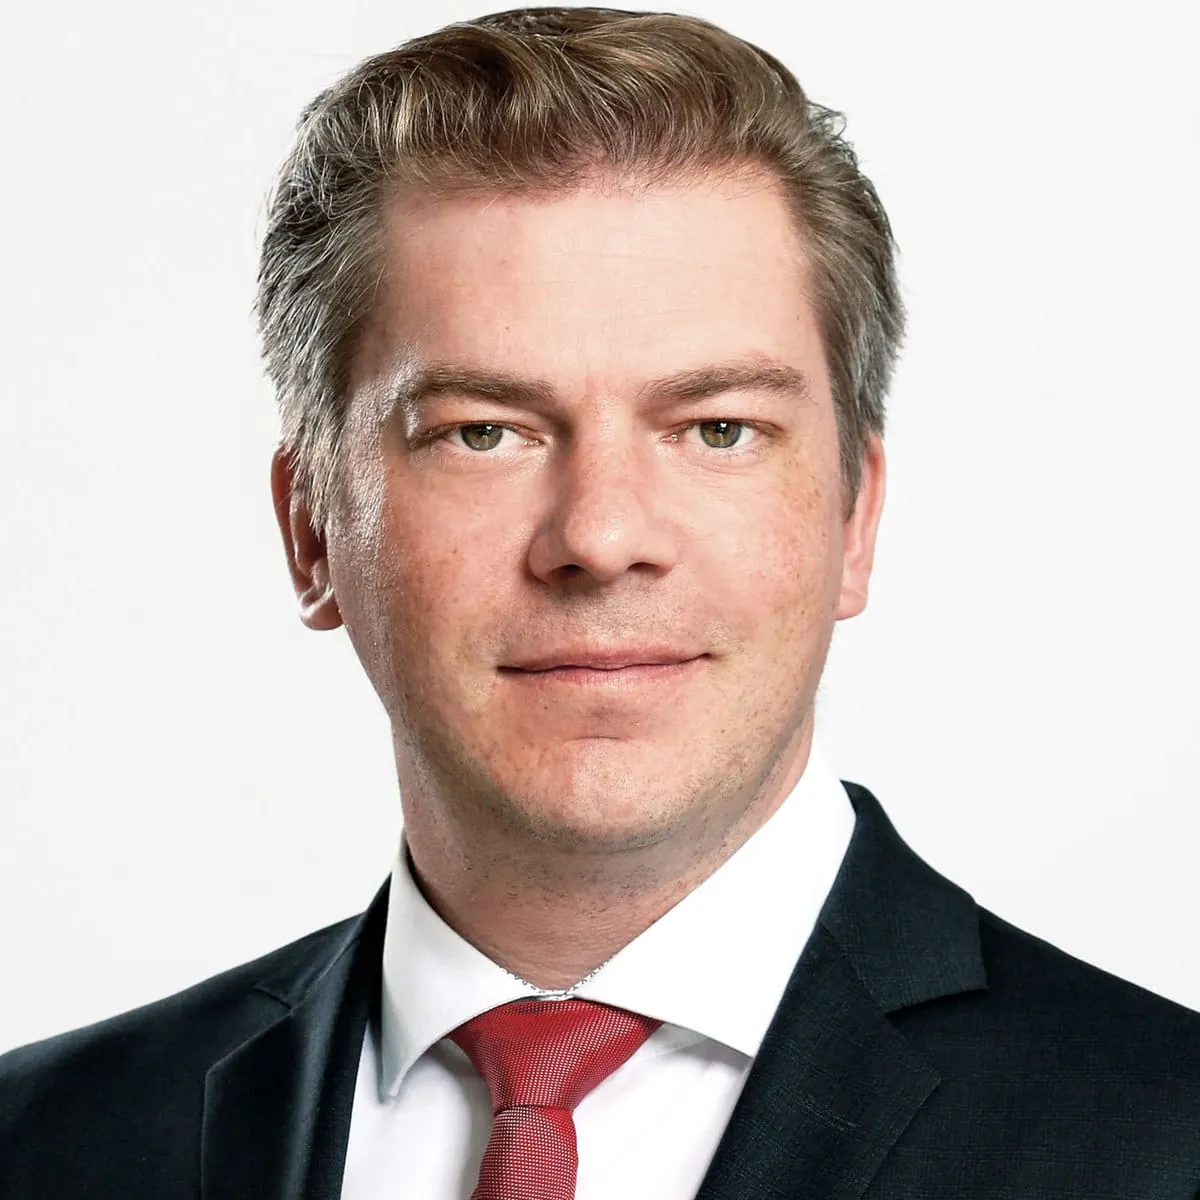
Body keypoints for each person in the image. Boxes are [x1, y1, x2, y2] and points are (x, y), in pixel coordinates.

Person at [2, 6, 1199, 1197]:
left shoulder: (1167, 1138)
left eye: (717, 429)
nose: (602, 537)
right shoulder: (42, 1144)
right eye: (483, 432)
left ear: (855, 518)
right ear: (312, 528)